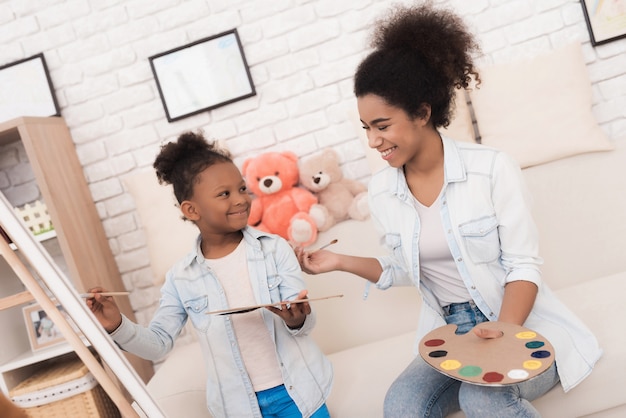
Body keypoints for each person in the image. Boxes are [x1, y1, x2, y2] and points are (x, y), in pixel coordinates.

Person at [296, 3, 602, 418]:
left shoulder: (491, 168)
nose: (372, 141)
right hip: (450, 334)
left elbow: (523, 267)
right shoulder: (384, 190)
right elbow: (405, 267)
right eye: (366, 127)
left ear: (423, 113)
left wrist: (505, 331)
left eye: (382, 125)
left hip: (518, 323)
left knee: (482, 396)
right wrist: (338, 261)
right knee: (400, 405)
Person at [87, 132, 332, 418]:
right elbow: (158, 345)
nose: (241, 199)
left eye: (241, 188)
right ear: (191, 210)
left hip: (299, 393)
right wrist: (116, 325)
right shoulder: (180, 278)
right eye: (224, 194)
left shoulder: (275, 249)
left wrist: (297, 318)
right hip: (238, 409)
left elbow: (303, 321)